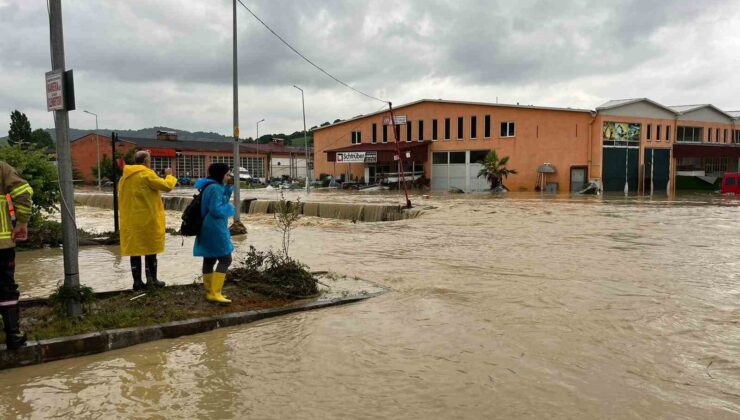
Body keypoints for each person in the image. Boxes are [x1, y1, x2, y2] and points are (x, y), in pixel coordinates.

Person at [119, 151, 177, 291]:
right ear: (145, 161)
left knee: (135, 252)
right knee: (151, 251)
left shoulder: (124, 178)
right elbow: (167, 186)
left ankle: (137, 283)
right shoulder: (146, 174)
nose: (150, 163)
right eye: (149, 160)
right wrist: (169, 175)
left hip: (130, 220)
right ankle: (153, 281)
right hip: (147, 219)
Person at [0, 161, 33, 350]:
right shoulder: (2, 169)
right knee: (6, 288)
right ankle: (13, 334)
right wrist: (22, 222)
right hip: (2, 245)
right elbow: (23, 192)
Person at [193, 163, 235, 304]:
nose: (229, 176)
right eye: (227, 174)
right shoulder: (216, 188)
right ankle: (216, 292)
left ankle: (209, 292)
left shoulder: (209, 186)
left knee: (209, 258)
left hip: (205, 226)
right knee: (225, 259)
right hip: (215, 227)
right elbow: (217, 209)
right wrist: (230, 208)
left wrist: (228, 187)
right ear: (221, 174)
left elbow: (219, 200)